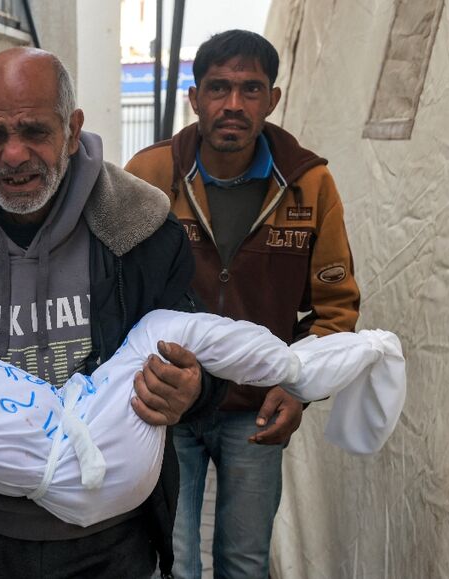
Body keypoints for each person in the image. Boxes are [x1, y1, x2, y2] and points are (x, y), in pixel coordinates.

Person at [0, 47, 225, 578]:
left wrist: (193, 387)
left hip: (109, 533)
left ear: (72, 127)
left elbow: (202, 354)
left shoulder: (140, 225)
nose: (14, 155)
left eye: (35, 131)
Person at [125, 30, 361, 579]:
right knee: (172, 561)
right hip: (168, 405)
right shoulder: (149, 176)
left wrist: (299, 385)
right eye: (219, 88)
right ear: (195, 97)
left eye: (251, 89)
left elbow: (336, 308)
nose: (233, 104)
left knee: (245, 562)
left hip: (260, 409)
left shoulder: (310, 185)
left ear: (273, 99)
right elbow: (114, 287)